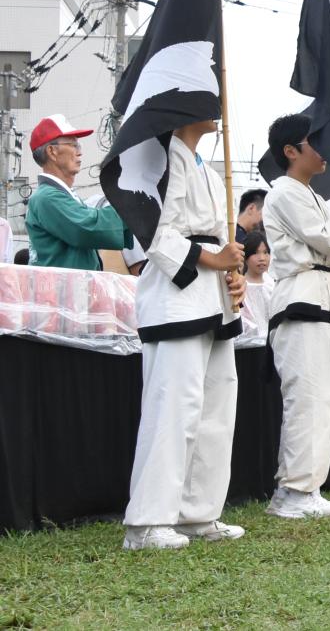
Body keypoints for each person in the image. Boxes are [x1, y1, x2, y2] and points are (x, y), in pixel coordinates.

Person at [121, 118, 247, 551]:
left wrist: (233, 272)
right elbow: (155, 233)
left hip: (212, 298)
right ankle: (147, 522)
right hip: (175, 297)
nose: (215, 107)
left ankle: (197, 513)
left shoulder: (206, 168)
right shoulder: (158, 158)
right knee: (173, 408)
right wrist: (214, 260)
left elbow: (218, 241)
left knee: (215, 408)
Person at [261, 114, 330, 519]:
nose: (324, 150)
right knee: (307, 398)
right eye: (314, 142)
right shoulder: (283, 193)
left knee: (326, 399)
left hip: (324, 298)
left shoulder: (311, 196)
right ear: (291, 151)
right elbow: (327, 239)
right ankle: (294, 491)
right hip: (300, 299)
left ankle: (305, 487)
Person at [24, 114, 132, 270]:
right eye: (73, 145)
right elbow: (88, 227)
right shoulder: (47, 197)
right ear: (52, 151)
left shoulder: (56, 195)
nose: (79, 152)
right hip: (62, 286)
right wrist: (133, 206)